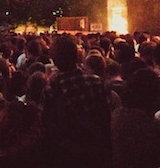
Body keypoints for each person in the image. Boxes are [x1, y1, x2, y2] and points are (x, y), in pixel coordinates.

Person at [42, 34, 112, 168]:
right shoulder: (95, 82)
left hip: (67, 155)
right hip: (95, 152)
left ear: (54, 59)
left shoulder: (51, 89)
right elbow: (105, 118)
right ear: (77, 55)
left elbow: (48, 125)